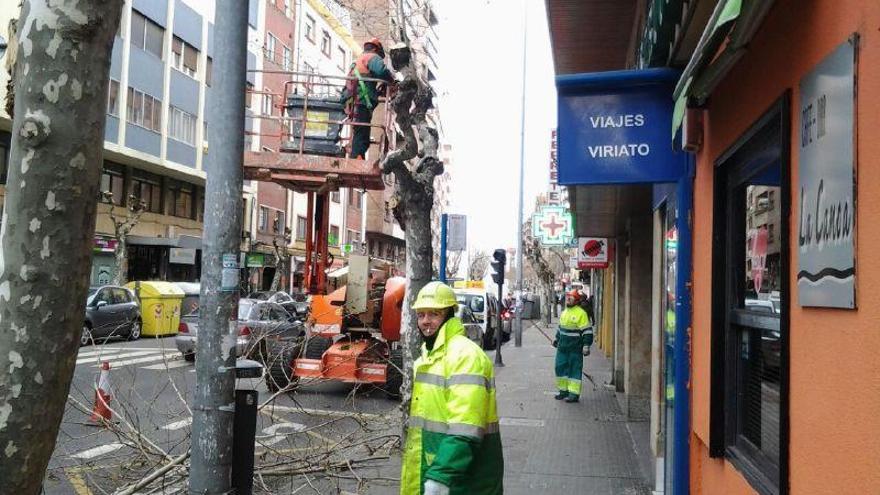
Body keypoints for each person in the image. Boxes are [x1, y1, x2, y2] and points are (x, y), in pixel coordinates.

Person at [401, 281, 504, 495]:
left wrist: (440, 476)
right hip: (438, 471)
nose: (425, 322)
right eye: (421, 315)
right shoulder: (429, 355)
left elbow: (465, 426)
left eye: (434, 314)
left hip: (463, 481)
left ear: (449, 315)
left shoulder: (465, 356)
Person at [343, 37, 395, 159]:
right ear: (376, 49)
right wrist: (392, 81)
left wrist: (376, 93)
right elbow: (381, 71)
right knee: (362, 133)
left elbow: (364, 83)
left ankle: (357, 156)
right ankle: (357, 159)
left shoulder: (357, 61)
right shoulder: (372, 57)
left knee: (360, 131)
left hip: (352, 100)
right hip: (361, 101)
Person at [552, 289, 593, 403]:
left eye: (571, 297)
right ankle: (563, 391)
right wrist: (557, 339)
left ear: (576, 300)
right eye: (568, 297)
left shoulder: (581, 313)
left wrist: (586, 345)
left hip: (575, 348)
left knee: (574, 370)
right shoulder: (565, 312)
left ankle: (573, 394)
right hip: (562, 348)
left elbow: (587, 331)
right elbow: (560, 328)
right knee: (559, 368)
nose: (569, 299)